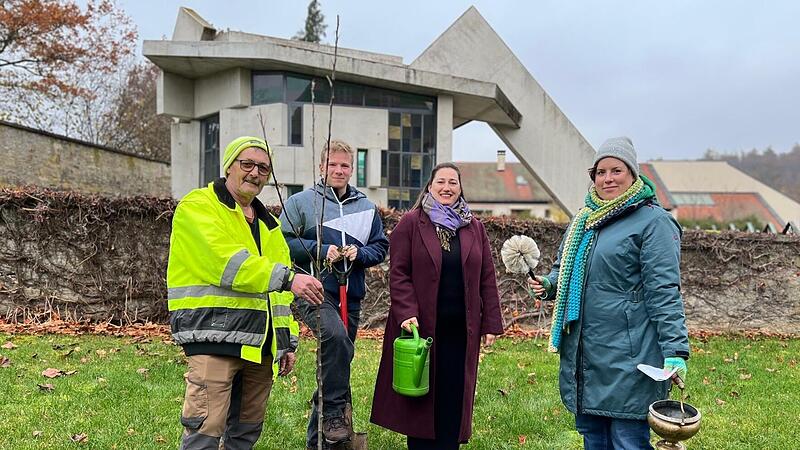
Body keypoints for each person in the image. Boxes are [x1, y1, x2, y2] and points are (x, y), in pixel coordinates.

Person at [528, 137, 690, 450]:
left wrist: (675, 349)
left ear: (633, 174)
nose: (608, 178)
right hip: (586, 354)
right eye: (600, 172)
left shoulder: (654, 223)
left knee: (627, 440)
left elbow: (664, 291)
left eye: (616, 170)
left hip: (630, 355)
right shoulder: (584, 221)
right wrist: (549, 285)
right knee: (594, 439)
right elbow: (563, 270)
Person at [167, 136, 324, 450]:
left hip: (259, 345)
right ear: (229, 166)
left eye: (263, 168)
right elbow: (225, 262)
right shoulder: (199, 206)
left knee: (246, 432)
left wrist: (285, 341)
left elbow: (278, 296)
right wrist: (288, 278)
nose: (255, 172)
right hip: (214, 334)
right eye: (247, 164)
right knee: (205, 432)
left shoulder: (269, 225)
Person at [370, 162, 504, 450]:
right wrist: (407, 313)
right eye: (440, 181)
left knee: (455, 393)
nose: (446, 187)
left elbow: (487, 277)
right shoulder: (411, 222)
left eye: (452, 182)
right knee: (422, 397)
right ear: (430, 186)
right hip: (422, 328)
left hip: (461, 330)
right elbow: (399, 273)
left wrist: (491, 322)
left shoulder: (474, 227)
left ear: (460, 188)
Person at [279, 139, 389, 448]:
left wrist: (359, 253)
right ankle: (334, 417)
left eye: (344, 165)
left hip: (349, 294)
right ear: (321, 166)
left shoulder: (366, 208)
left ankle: (323, 441)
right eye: (332, 164)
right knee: (337, 340)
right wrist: (321, 250)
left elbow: (380, 246)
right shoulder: (301, 202)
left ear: (352, 169)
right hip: (313, 290)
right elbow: (283, 243)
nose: (338, 170)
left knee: (338, 361)